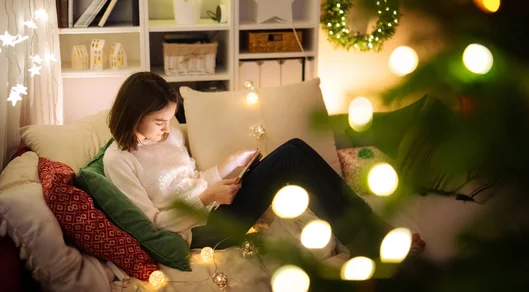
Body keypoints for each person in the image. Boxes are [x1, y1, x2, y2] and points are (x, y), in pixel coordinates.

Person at [104, 72, 425, 257]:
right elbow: (152, 225)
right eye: (159, 121)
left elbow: (193, 178)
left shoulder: (169, 136)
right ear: (134, 115)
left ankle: (368, 231)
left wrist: (226, 168)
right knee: (291, 157)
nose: (167, 128)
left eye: (170, 120)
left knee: (295, 152)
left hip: (214, 206)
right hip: (199, 233)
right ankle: (372, 238)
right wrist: (207, 197)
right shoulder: (118, 161)